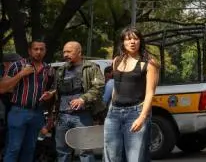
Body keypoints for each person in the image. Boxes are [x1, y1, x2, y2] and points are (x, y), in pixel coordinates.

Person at [103, 27, 160, 162]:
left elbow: (150, 93)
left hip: (136, 113)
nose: (132, 42)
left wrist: (142, 117)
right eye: (128, 39)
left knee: (135, 157)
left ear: (141, 41)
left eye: (135, 38)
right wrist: (110, 108)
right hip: (114, 113)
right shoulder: (117, 60)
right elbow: (115, 87)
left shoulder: (149, 63)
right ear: (123, 42)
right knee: (112, 156)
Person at [48, 41, 105, 162]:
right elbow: (57, 90)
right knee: (62, 151)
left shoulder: (91, 68)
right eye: (64, 52)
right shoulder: (61, 70)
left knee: (85, 151)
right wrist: (51, 93)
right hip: (63, 115)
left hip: (82, 116)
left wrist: (83, 99)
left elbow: (99, 87)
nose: (65, 54)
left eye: (69, 51)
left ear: (79, 52)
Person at [0, 40, 55, 162]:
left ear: (45, 51)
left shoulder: (49, 69)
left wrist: (50, 95)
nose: (38, 52)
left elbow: (52, 91)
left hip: (38, 113)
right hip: (19, 111)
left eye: (41, 49)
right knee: (14, 148)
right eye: (35, 49)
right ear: (30, 51)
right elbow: (2, 88)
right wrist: (21, 74)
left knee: (30, 149)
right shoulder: (18, 65)